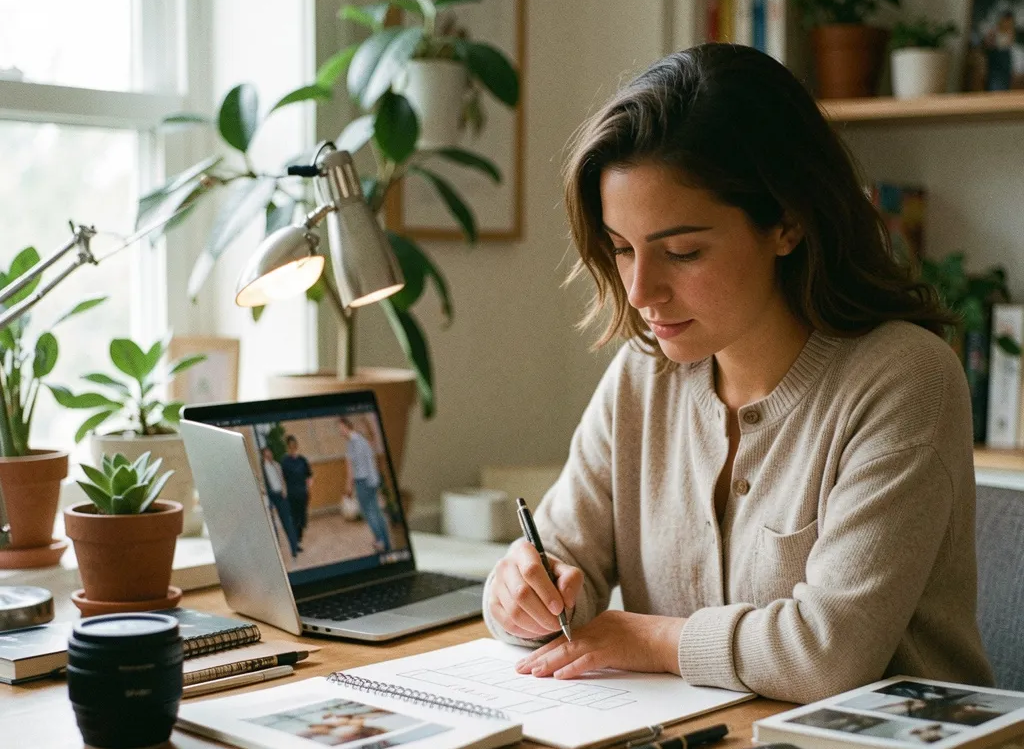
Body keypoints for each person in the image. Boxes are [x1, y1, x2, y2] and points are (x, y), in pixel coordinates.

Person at [485, 43, 994, 704]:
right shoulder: (644, 375)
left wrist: (649, 640)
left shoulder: (903, 378)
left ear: (787, 221)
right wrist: (520, 596)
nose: (641, 292)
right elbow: (560, 577)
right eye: (621, 251)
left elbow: (826, 656)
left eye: (683, 251)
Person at [339, 416, 391, 553]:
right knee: (377, 511)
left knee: (369, 513)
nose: (340, 432)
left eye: (340, 428)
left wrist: (348, 487)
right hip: (373, 480)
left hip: (362, 481)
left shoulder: (352, 444)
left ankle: (380, 541)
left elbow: (351, 468)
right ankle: (385, 541)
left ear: (346, 426)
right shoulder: (363, 440)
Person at [261, 446, 300, 560]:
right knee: (272, 525)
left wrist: (284, 491)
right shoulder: (262, 468)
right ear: (264, 455)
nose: (270, 455)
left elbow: (283, 480)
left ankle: (294, 549)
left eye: (270, 453)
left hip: (280, 496)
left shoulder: (277, 465)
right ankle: (277, 552)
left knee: (287, 522)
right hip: (270, 497)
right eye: (267, 453)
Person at [280, 434, 313, 544]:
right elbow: (282, 478)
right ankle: (296, 538)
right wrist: (283, 492)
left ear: (296, 446)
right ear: (288, 447)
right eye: (290, 446)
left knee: (302, 516)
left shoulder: (302, 460)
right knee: (294, 516)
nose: (293, 448)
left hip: (302, 492)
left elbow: (309, 475)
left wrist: (308, 488)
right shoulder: (284, 461)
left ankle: (299, 533)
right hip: (291, 493)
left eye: (294, 445)